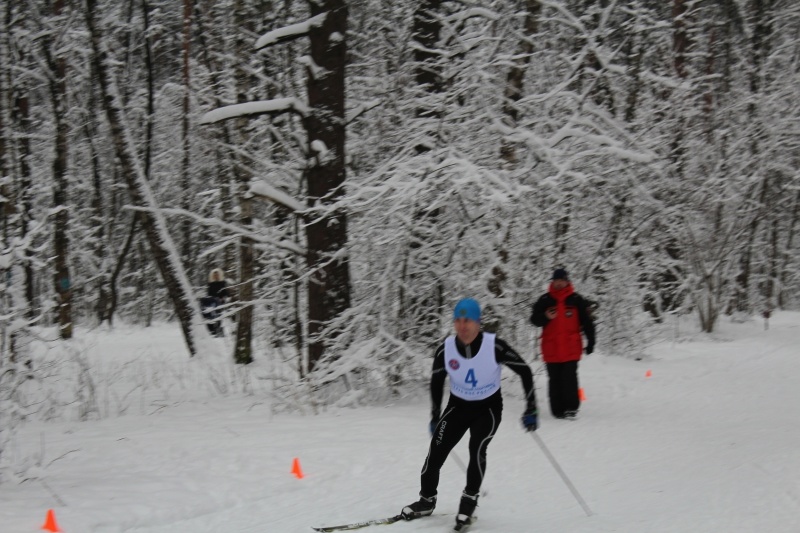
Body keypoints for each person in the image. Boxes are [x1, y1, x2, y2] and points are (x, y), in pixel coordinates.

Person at [401, 298, 538, 531]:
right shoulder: (446, 349)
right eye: (458, 321)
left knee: (477, 448)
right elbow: (436, 382)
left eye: (468, 321)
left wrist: (531, 408)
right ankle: (426, 500)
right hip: (458, 407)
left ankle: (469, 500)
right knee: (435, 452)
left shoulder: (494, 346)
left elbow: (525, 371)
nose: (463, 326)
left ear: (478, 323)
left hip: (488, 409)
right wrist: (435, 416)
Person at [530, 268, 596, 419]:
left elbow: (587, 323)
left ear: (567, 281)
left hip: (571, 348)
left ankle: (571, 409)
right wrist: (545, 316)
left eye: (562, 280)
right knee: (554, 380)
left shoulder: (577, 300)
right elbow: (534, 320)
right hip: (551, 348)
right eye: (556, 280)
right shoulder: (545, 300)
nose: (559, 283)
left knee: (569, 378)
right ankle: (557, 410)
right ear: (552, 282)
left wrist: (591, 341)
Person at [201, 268, 229, 336]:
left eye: (217, 275)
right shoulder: (211, 284)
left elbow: (225, 293)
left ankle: (219, 331)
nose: (216, 276)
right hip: (212, 302)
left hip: (219, 302)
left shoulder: (222, 283)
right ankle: (211, 331)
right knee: (209, 315)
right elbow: (209, 294)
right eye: (214, 275)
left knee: (218, 317)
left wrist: (222, 298)